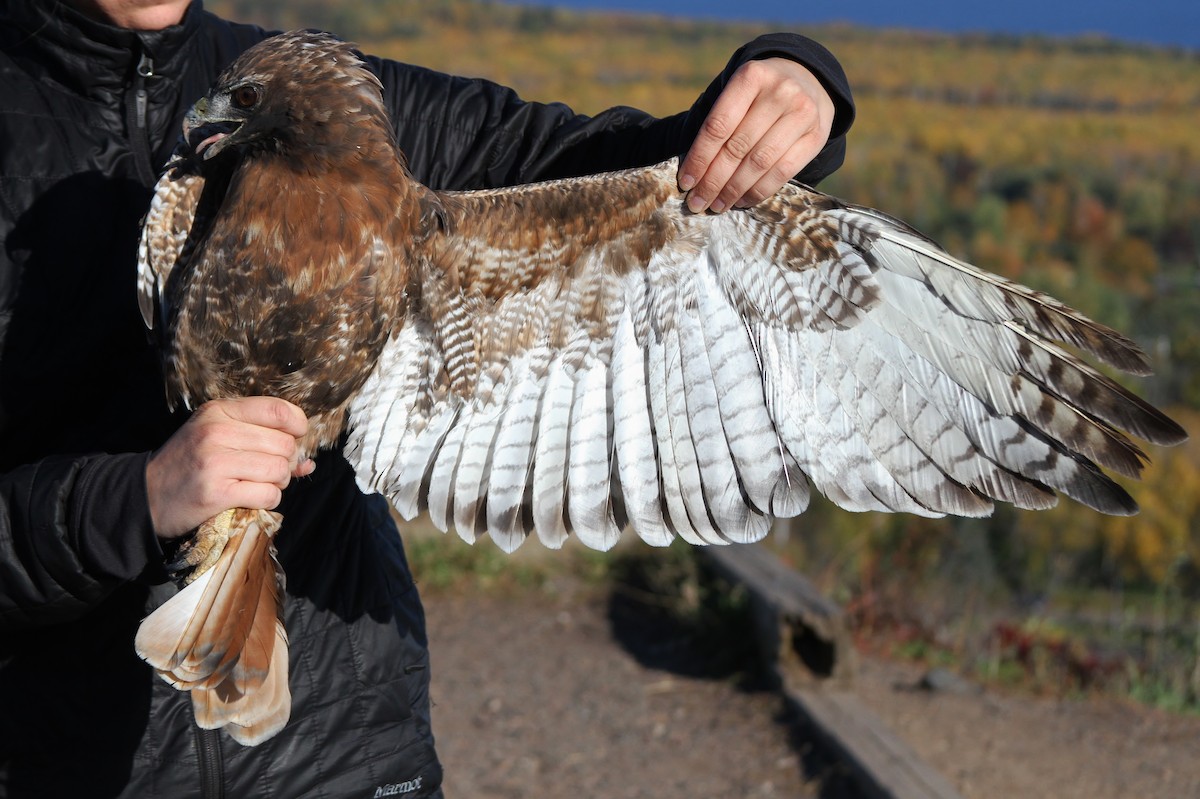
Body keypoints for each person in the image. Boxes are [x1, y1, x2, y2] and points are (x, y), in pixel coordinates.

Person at [0, 0, 855, 795]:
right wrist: (137, 498)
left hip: (342, 739)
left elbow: (642, 189)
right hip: (70, 759)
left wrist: (788, 87)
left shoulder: (332, 100)